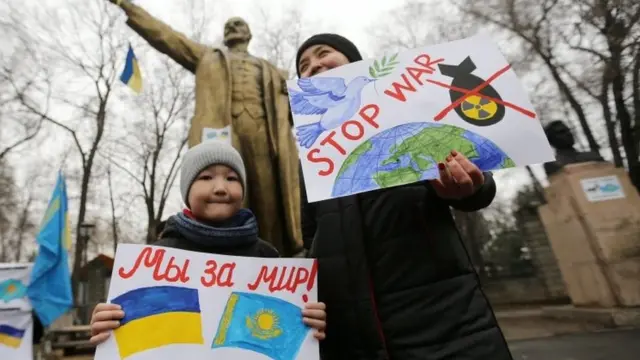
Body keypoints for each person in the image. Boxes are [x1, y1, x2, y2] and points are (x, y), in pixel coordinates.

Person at [296, 34, 513, 359]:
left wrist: (470, 187)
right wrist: (306, 296)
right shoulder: (312, 158)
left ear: (356, 62)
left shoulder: (410, 114)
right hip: (354, 339)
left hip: (444, 328)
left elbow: (478, 183)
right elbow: (311, 238)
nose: (313, 66)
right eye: (303, 67)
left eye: (323, 53)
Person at [106, 0, 302, 256]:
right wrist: (126, 5)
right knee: (225, 195)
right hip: (223, 135)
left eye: (238, 23)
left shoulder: (274, 71)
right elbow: (166, 36)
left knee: (269, 200)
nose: (232, 25)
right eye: (228, 24)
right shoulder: (208, 57)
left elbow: (317, 107)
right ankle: (224, 256)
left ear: (248, 34)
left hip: (264, 136)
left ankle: (273, 261)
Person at [89, 141, 326, 345]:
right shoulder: (155, 259)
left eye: (232, 178)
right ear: (187, 190)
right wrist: (108, 324)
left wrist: (307, 319)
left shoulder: (267, 257)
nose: (221, 188)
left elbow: (285, 329)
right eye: (206, 177)